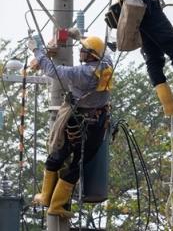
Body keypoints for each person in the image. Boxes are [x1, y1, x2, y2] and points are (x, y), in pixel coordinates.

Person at [30, 33, 112, 220]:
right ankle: (51, 201)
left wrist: (36, 50)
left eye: (83, 50)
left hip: (79, 121)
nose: (80, 52)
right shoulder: (106, 63)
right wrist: (79, 36)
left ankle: (51, 202)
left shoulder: (82, 74)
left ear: (91, 55)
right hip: (96, 122)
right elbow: (104, 51)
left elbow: (52, 70)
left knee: (64, 156)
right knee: (74, 160)